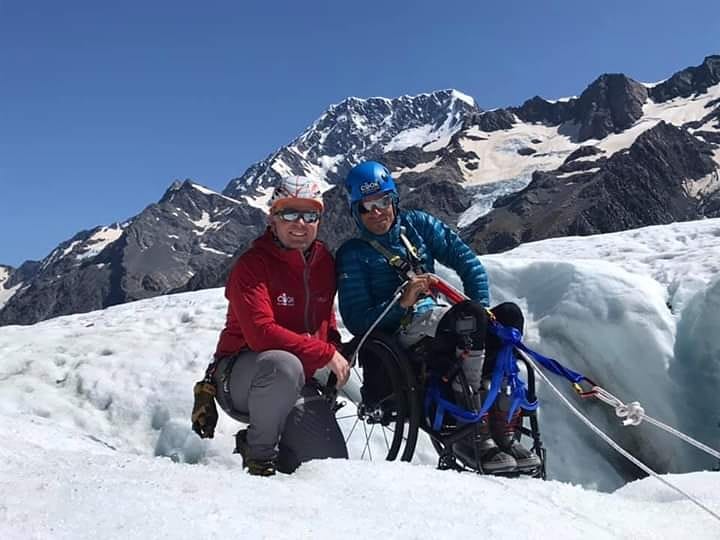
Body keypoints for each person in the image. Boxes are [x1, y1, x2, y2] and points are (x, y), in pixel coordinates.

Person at [336, 160, 541, 474]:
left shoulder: (417, 225)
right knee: (466, 321)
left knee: (508, 317)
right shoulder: (353, 254)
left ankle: (503, 426)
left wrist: (482, 313)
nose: (377, 212)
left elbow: (468, 263)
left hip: (439, 318)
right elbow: (357, 320)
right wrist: (401, 303)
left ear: (394, 200)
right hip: (398, 331)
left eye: (383, 202)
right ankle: (471, 428)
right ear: (356, 211)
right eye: (366, 207)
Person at [191, 175, 351, 476]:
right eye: (289, 213)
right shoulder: (252, 265)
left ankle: (285, 450)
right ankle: (259, 454)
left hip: (301, 377)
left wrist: (333, 348)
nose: (300, 223)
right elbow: (261, 334)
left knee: (330, 466)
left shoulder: (324, 263)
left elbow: (325, 318)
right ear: (272, 218)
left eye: (310, 215)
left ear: (319, 220)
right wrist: (324, 353)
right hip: (242, 374)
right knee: (283, 365)